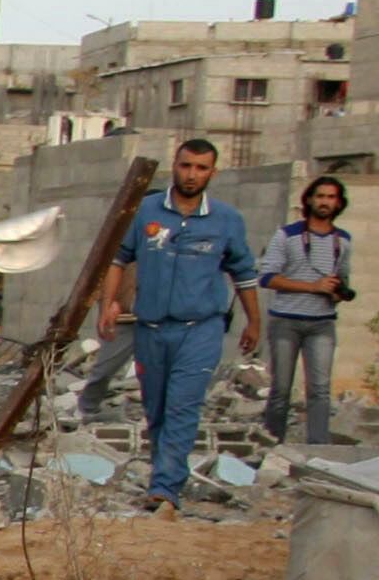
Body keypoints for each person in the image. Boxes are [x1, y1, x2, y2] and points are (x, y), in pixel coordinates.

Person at [97, 137, 261, 512]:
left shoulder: (226, 220)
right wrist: (109, 305)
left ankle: (166, 487)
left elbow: (245, 275)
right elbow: (118, 260)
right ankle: (163, 473)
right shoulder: (146, 212)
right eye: (186, 166)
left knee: (183, 407)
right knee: (156, 408)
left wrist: (254, 322)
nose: (192, 175)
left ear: (212, 173)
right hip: (151, 328)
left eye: (201, 168)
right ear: (176, 165)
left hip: (200, 329)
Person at [258, 177, 355, 444]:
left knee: (321, 390)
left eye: (331, 197)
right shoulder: (287, 235)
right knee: (280, 389)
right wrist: (312, 287)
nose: (325, 202)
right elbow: (267, 278)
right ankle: (272, 443)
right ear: (309, 199)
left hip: (322, 323)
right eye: (320, 196)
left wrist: (337, 292)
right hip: (286, 322)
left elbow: (343, 280)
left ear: (339, 203)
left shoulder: (343, 240)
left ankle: (319, 447)